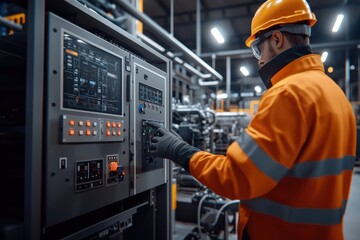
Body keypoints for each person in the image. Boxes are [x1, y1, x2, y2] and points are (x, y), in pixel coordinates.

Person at [146, 0, 357, 239]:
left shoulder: (288, 93)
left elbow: (235, 178)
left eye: (258, 48)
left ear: (277, 39)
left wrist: (180, 151)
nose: (259, 60)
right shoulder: (336, 95)